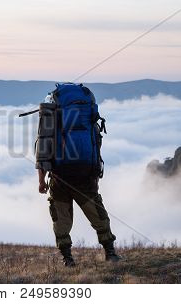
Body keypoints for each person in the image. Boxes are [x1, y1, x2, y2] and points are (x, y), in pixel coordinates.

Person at [35, 83, 121, 267]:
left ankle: (67, 259)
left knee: (61, 219)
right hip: (86, 174)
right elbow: (96, 144)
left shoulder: (51, 116)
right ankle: (110, 253)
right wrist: (95, 172)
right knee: (98, 214)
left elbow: (42, 149)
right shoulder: (87, 115)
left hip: (60, 176)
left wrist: (41, 180)